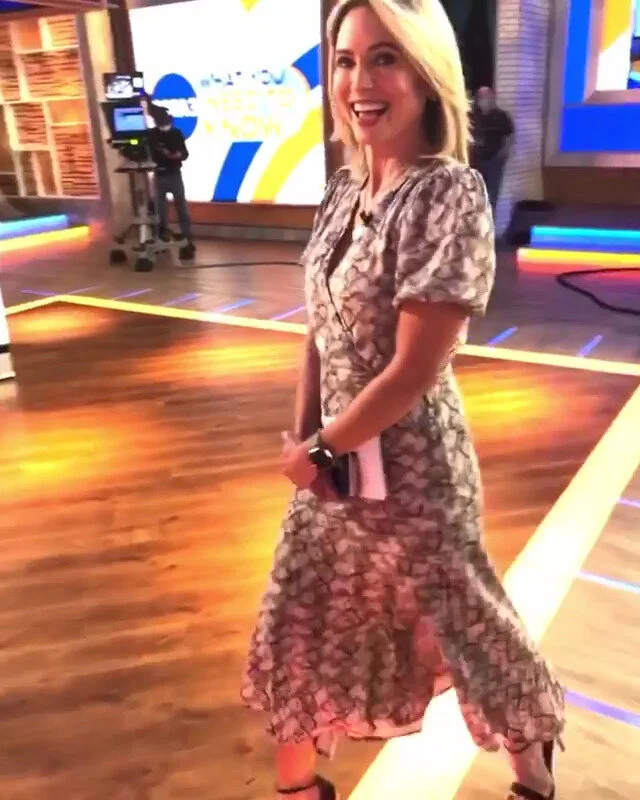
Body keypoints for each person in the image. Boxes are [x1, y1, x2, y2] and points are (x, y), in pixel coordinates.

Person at [241, 3, 564, 800]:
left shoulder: (448, 193)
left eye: (384, 58)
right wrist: (306, 439)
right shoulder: (342, 189)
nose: (360, 81)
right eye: (345, 60)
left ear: (426, 73)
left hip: (416, 477)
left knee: (470, 630)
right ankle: (297, 788)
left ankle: (533, 759)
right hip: (332, 473)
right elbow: (319, 328)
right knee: (295, 627)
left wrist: (323, 448)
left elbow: (416, 368)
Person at [147, 107, 194, 253]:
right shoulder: (152, 134)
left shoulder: (176, 133)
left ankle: (186, 236)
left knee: (181, 206)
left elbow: (185, 154)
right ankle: (162, 237)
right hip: (159, 174)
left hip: (174, 173)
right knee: (160, 209)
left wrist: (177, 155)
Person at [471, 86, 514, 217]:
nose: (482, 100)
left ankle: (490, 226)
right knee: (476, 196)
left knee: (491, 197)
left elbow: (509, 137)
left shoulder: (502, 116)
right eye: (480, 97)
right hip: (477, 162)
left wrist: (502, 156)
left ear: (492, 97)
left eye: (485, 96)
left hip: (494, 162)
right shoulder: (474, 117)